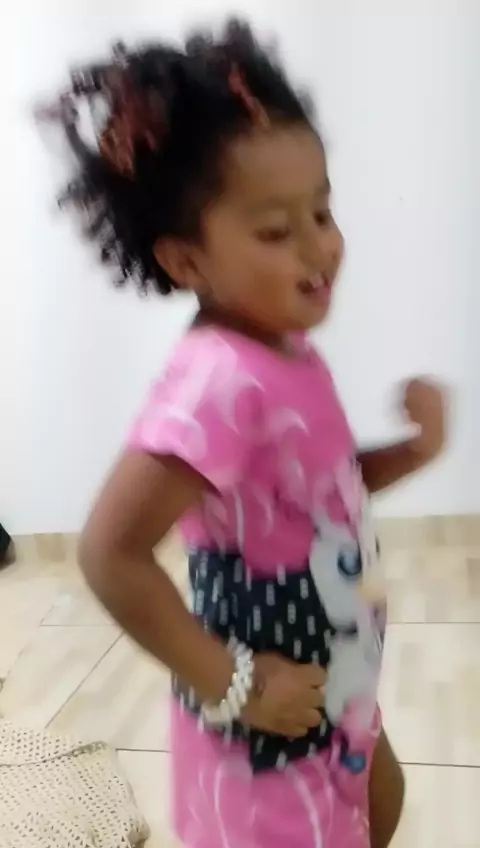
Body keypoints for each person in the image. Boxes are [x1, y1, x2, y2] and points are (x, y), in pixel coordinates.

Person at [39, 20, 447, 847]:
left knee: (381, 801)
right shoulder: (215, 382)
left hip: (335, 677)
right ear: (187, 261)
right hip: (270, 710)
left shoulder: (286, 350)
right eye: (275, 231)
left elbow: (317, 486)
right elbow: (109, 553)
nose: (319, 247)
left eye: (323, 211)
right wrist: (236, 684)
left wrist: (411, 452)